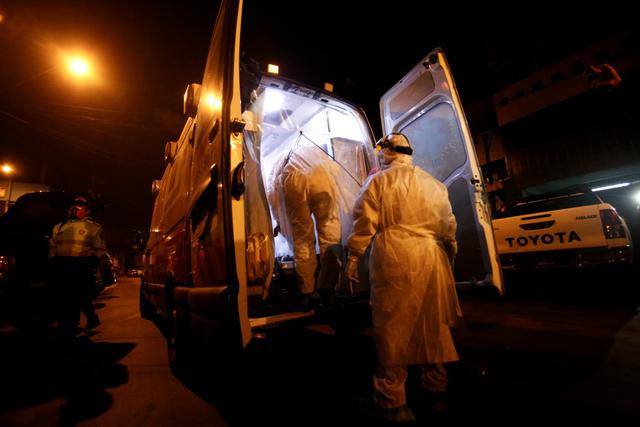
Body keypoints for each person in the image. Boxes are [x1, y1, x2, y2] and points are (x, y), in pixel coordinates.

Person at [346, 133, 463, 422]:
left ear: (387, 152)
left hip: (394, 257)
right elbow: (449, 226)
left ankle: (392, 404)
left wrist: (352, 257)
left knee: (393, 328)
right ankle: (436, 394)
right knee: (431, 325)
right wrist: (450, 253)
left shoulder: (378, 182)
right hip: (430, 256)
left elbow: (364, 223)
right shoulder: (435, 185)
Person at [269, 137, 342, 309]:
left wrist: (278, 221)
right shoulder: (316, 153)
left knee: (303, 239)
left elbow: (272, 195)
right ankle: (327, 289)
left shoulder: (281, 161)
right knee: (329, 231)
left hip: (293, 179)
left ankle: (307, 292)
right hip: (322, 175)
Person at [49, 196, 106, 337]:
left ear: (87, 211)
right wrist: (52, 260)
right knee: (64, 296)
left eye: (82, 208)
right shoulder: (59, 226)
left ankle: (80, 322)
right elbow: (52, 246)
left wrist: (94, 259)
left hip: (81, 265)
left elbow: (100, 248)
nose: (78, 211)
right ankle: (76, 322)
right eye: (76, 208)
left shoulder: (93, 228)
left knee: (78, 295)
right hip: (62, 265)